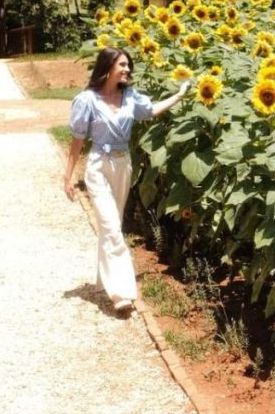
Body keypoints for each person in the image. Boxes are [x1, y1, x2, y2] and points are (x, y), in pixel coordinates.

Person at [64, 47, 190, 313]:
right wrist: (68, 175)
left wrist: (178, 95)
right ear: (108, 67)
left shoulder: (130, 97)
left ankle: (103, 280)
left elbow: (152, 110)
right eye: (123, 65)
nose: (127, 70)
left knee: (113, 223)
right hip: (98, 166)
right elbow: (78, 139)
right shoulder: (87, 100)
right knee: (111, 227)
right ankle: (120, 292)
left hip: (123, 165)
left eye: (128, 65)